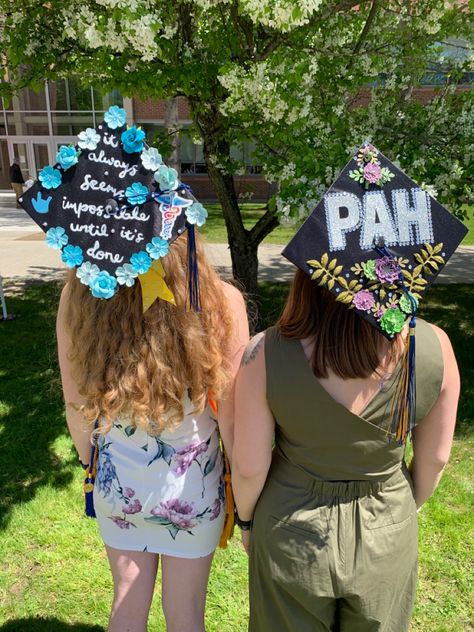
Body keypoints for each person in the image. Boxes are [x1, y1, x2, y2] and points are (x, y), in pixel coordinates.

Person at [19, 106, 249, 632]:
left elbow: (77, 404)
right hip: (194, 484)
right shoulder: (222, 303)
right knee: (185, 612)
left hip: (119, 480)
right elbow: (232, 414)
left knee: (127, 599)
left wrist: (92, 464)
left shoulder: (78, 300)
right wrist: (238, 481)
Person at [232, 144, 465, 631]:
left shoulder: (264, 353)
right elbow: (437, 457)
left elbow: (250, 465)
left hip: (291, 527)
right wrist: (400, 511)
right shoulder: (437, 346)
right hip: (387, 522)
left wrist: (248, 523)